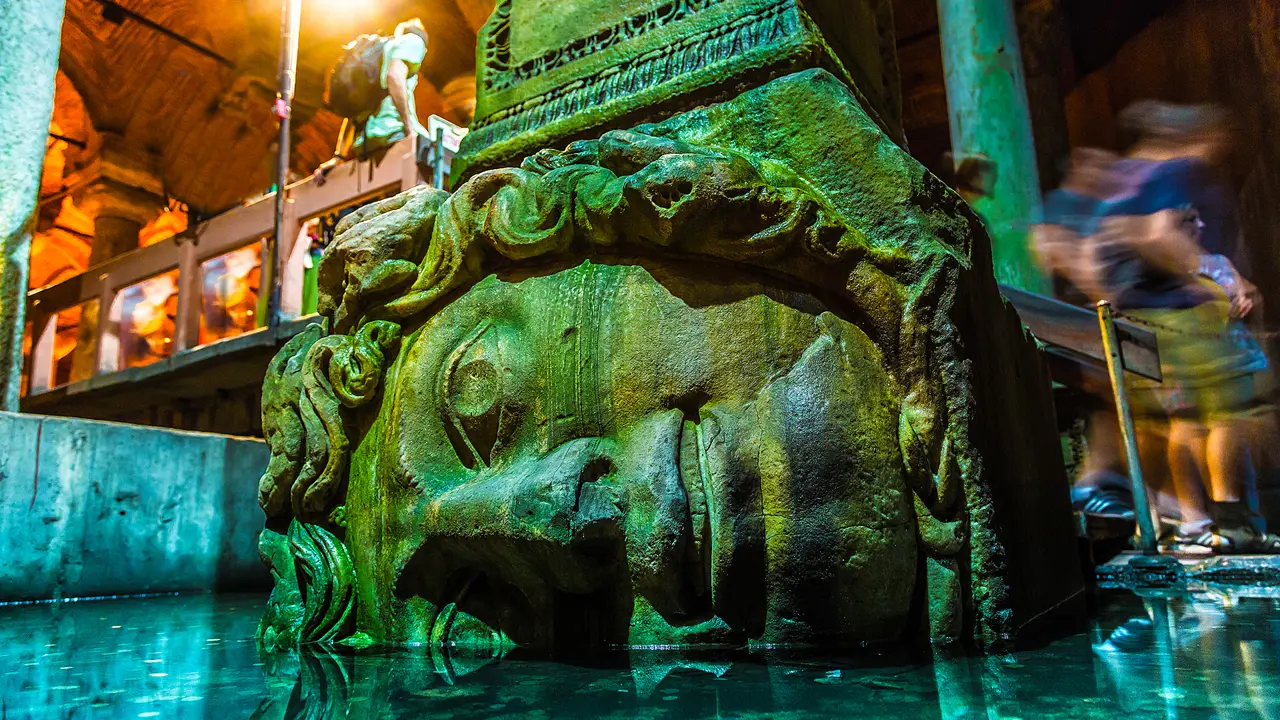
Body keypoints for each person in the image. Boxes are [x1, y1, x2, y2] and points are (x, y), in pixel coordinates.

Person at [1098, 101, 1276, 553]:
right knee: (1222, 416)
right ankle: (1229, 520)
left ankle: (1193, 523)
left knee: (1179, 422)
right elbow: (1156, 235)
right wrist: (1204, 281)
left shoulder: (1126, 178)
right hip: (1174, 315)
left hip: (1136, 316)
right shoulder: (1167, 174)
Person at [314, 19, 431, 185]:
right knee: (431, 191)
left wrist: (338, 156)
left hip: (366, 146)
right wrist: (409, 130)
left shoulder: (378, 54)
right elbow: (394, 77)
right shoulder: (413, 41)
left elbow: (354, 109)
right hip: (395, 134)